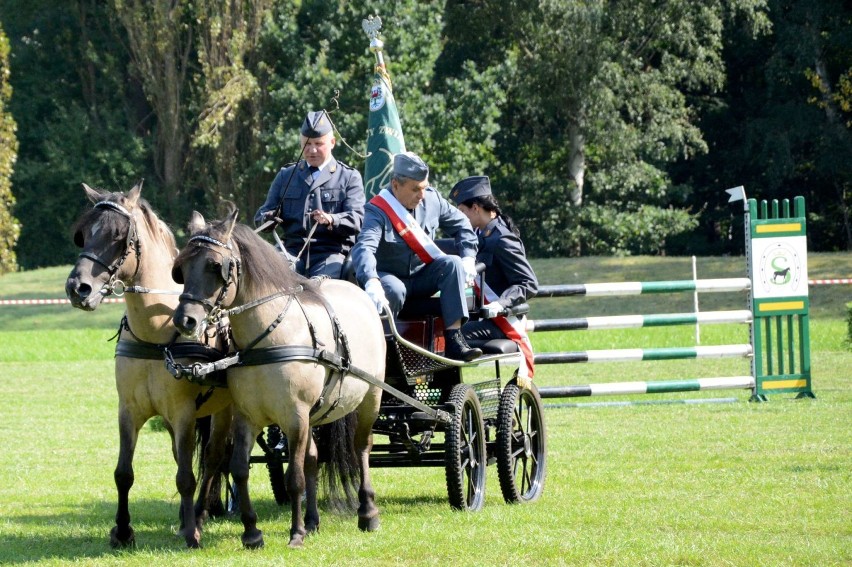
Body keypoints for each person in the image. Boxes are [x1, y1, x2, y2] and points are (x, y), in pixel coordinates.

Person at [351, 152, 483, 361]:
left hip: (422, 278)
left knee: (453, 264)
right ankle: (385, 347)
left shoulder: (432, 200)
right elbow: (364, 247)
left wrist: (468, 257)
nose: (421, 195)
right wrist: (371, 280)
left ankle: (454, 339)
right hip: (391, 279)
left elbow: (463, 225)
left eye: (424, 187)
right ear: (395, 185)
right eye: (415, 189)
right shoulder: (377, 210)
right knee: (395, 288)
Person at [254, 110, 365, 278]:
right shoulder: (286, 175)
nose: (312, 150)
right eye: (307, 144)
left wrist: (332, 219)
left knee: (324, 290)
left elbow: (358, 219)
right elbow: (261, 216)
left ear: (332, 142)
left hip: (330, 254)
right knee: (269, 281)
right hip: (290, 251)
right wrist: (268, 219)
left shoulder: (349, 177)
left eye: (318, 143)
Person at [450, 175, 538, 382]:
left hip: (500, 320)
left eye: (462, 212)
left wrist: (502, 303)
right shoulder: (482, 234)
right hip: (483, 316)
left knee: (449, 338)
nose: (460, 217)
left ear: (476, 208)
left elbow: (528, 283)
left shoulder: (501, 238)